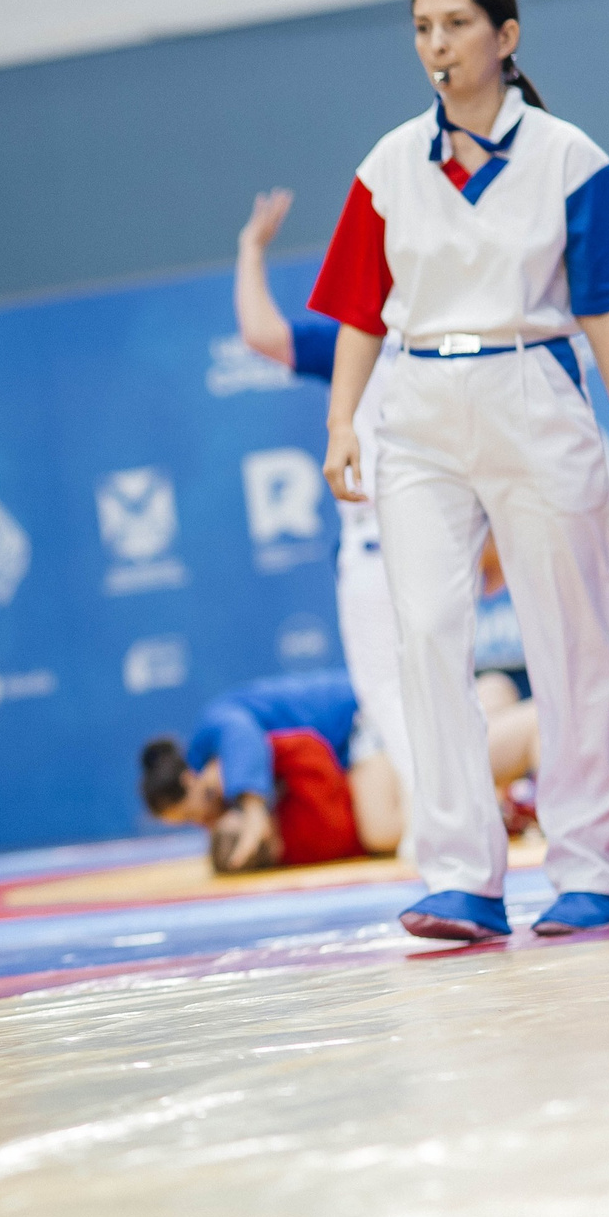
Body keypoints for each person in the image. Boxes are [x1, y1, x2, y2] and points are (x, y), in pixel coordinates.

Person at [311, 0, 609, 943]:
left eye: (456, 24)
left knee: (572, 636)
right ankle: (460, 874)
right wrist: (343, 422)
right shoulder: (386, 163)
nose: (435, 44)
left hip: (531, 380)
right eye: (421, 27)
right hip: (413, 406)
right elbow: (353, 310)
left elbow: (604, 309)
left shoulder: (566, 156)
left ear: (505, 37)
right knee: (422, 632)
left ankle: (590, 867)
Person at [230, 190, 417, 854]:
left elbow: (262, 334)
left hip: (385, 541)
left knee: (392, 691)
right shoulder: (419, 328)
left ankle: (438, 826)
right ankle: (455, 820)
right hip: (434, 537)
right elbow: (264, 336)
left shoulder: (363, 334)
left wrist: (251, 249)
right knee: (431, 683)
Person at [142, 669, 538, 874]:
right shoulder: (218, 764)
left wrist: (255, 812)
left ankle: (509, 716)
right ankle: (491, 697)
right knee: (431, 760)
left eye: (196, 812)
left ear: (190, 781)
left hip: (358, 720)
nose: (204, 822)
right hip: (357, 730)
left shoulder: (220, 734)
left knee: (389, 815)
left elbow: (246, 739)